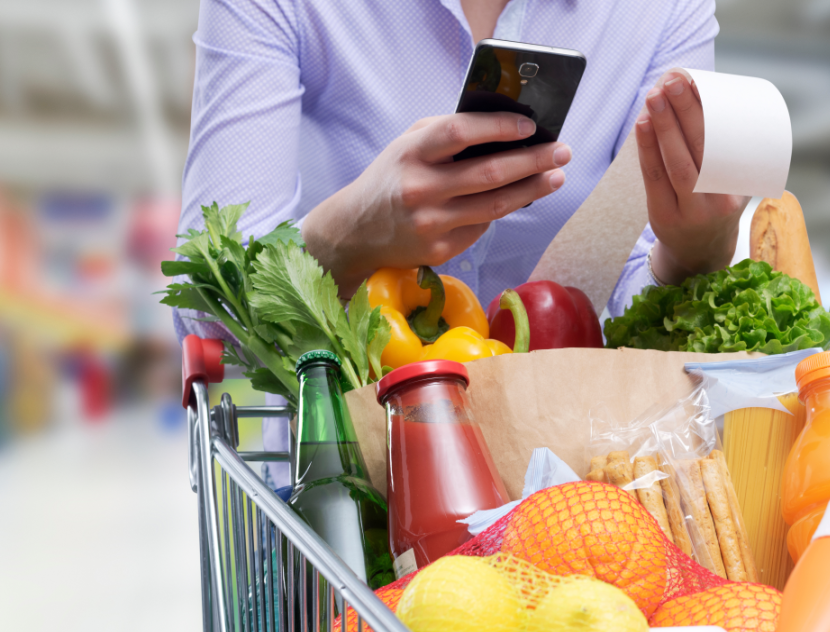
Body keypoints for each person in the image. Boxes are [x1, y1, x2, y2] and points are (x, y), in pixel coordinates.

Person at [176, 0, 749, 488]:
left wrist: (690, 253)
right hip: (335, 476)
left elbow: (630, 290)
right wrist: (350, 235)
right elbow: (204, 300)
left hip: (550, 472)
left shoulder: (658, 11)